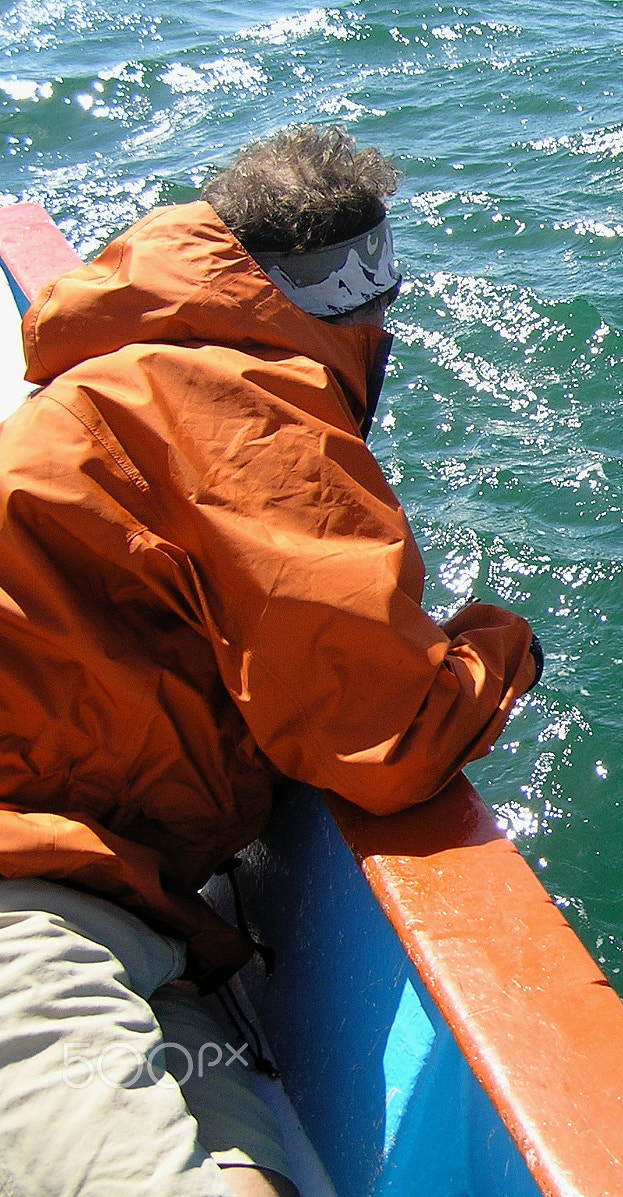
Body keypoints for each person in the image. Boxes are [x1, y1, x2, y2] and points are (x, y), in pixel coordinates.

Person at [0, 126, 541, 1196]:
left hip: (123, 895)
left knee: (260, 1165)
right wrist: (502, 646)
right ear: (361, 303)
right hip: (26, 892)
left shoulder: (130, 367)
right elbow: (382, 738)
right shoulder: (250, 413)